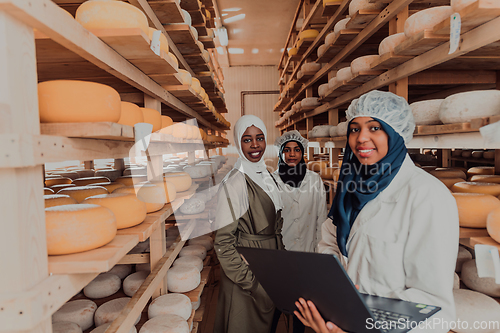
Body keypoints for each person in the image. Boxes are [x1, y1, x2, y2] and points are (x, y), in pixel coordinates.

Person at [295, 90, 459, 333]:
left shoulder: (427, 196)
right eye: (355, 128)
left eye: (374, 128)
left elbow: (433, 306)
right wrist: (327, 307)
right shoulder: (349, 189)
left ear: (395, 133)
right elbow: (329, 248)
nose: (361, 138)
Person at [214, 115, 284, 333]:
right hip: (247, 274)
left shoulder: (266, 174)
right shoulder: (234, 182)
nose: (255, 145)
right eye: (247, 139)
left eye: (260, 138)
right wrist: (252, 283)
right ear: (238, 142)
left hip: (269, 265)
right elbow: (223, 243)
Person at [270, 130, 328, 333]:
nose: (292, 154)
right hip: (280, 251)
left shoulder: (314, 180)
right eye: (287, 150)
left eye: (296, 150)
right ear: (281, 153)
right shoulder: (272, 180)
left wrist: (319, 253)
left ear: (303, 152)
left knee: (301, 304)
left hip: (306, 250)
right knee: (277, 300)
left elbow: (321, 218)